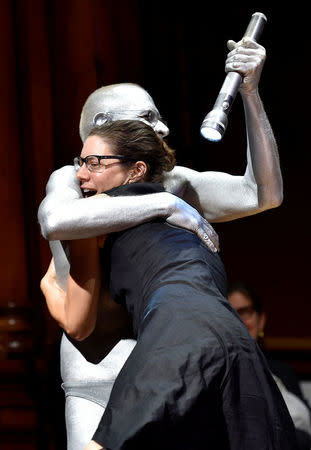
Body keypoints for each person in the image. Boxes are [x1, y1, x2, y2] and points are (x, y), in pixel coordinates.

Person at [38, 36, 283, 449]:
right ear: (106, 126)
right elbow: (57, 220)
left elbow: (263, 194)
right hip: (94, 372)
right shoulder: (73, 178)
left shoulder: (173, 181)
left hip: (164, 361)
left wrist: (251, 94)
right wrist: (163, 205)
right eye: (149, 117)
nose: (164, 127)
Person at [228, 282, 311, 450]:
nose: (239, 320)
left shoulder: (283, 372)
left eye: (245, 312)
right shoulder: (216, 373)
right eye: (230, 313)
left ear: (261, 320)